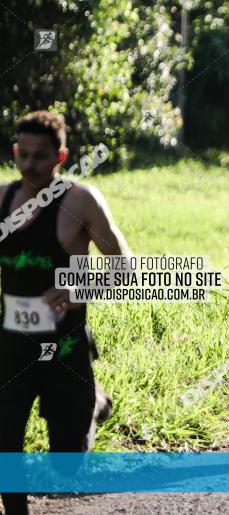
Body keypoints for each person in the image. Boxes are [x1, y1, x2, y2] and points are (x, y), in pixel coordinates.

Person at [0, 111, 129, 515]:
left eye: (41, 156)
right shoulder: (2, 199)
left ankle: (93, 405)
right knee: (5, 439)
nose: (30, 165)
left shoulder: (80, 201)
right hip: (12, 345)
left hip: (65, 346)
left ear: (61, 156)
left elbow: (122, 264)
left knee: (67, 464)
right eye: (23, 154)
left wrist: (80, 288)